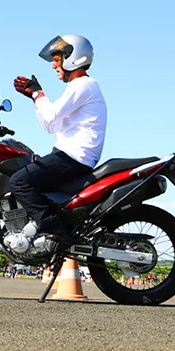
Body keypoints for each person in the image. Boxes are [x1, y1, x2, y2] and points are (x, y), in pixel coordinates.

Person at [10, 34, 107, 240]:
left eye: (57, 59)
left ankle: (58, 233)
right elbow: (50, 125)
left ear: (73, 57)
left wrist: (39, 94)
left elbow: (51, 114)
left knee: (19, 181)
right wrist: (35, 97)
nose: (54, 66)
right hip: (71, 156)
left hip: (73, 157)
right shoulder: (81, 88)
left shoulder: (82, 85)